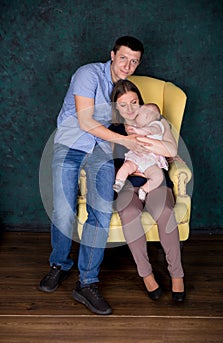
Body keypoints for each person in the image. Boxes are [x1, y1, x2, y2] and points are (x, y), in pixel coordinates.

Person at [39, 36, 146, 315]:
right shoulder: (88, 74)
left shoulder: (125, 89)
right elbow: (85, 121)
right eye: (124, 57)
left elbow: (132, 121)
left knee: (100, 211)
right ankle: (59, 265)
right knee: (64, 210)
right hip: (71, 145)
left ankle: (87, 282)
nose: (128, 65)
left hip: (100, 149)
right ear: (112, 55)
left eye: (134, 61)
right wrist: (126, 143)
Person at [110, 80, 185, 302]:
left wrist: (145, 142)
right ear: (116, 108)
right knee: (130, 214)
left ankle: (177, 275)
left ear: (141, 102)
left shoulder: (158, 122)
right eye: (123, 105)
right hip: (127, 183)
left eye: (134, 102)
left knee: (165, 213)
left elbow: (170, 149)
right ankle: (146, 274)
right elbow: (108, 160)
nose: (130, 109)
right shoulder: (113, 130)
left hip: (156, 180)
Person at [113, 103, 169, 201]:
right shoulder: (136, 125)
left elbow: (149, 130)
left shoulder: (157, 125)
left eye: (138, 115)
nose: (135, 116)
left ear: (147, 116)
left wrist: (137, 130)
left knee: (158, 176)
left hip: (151, 160)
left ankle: (144, 189)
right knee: (126, 167)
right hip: (136, 156)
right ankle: (118, 183)